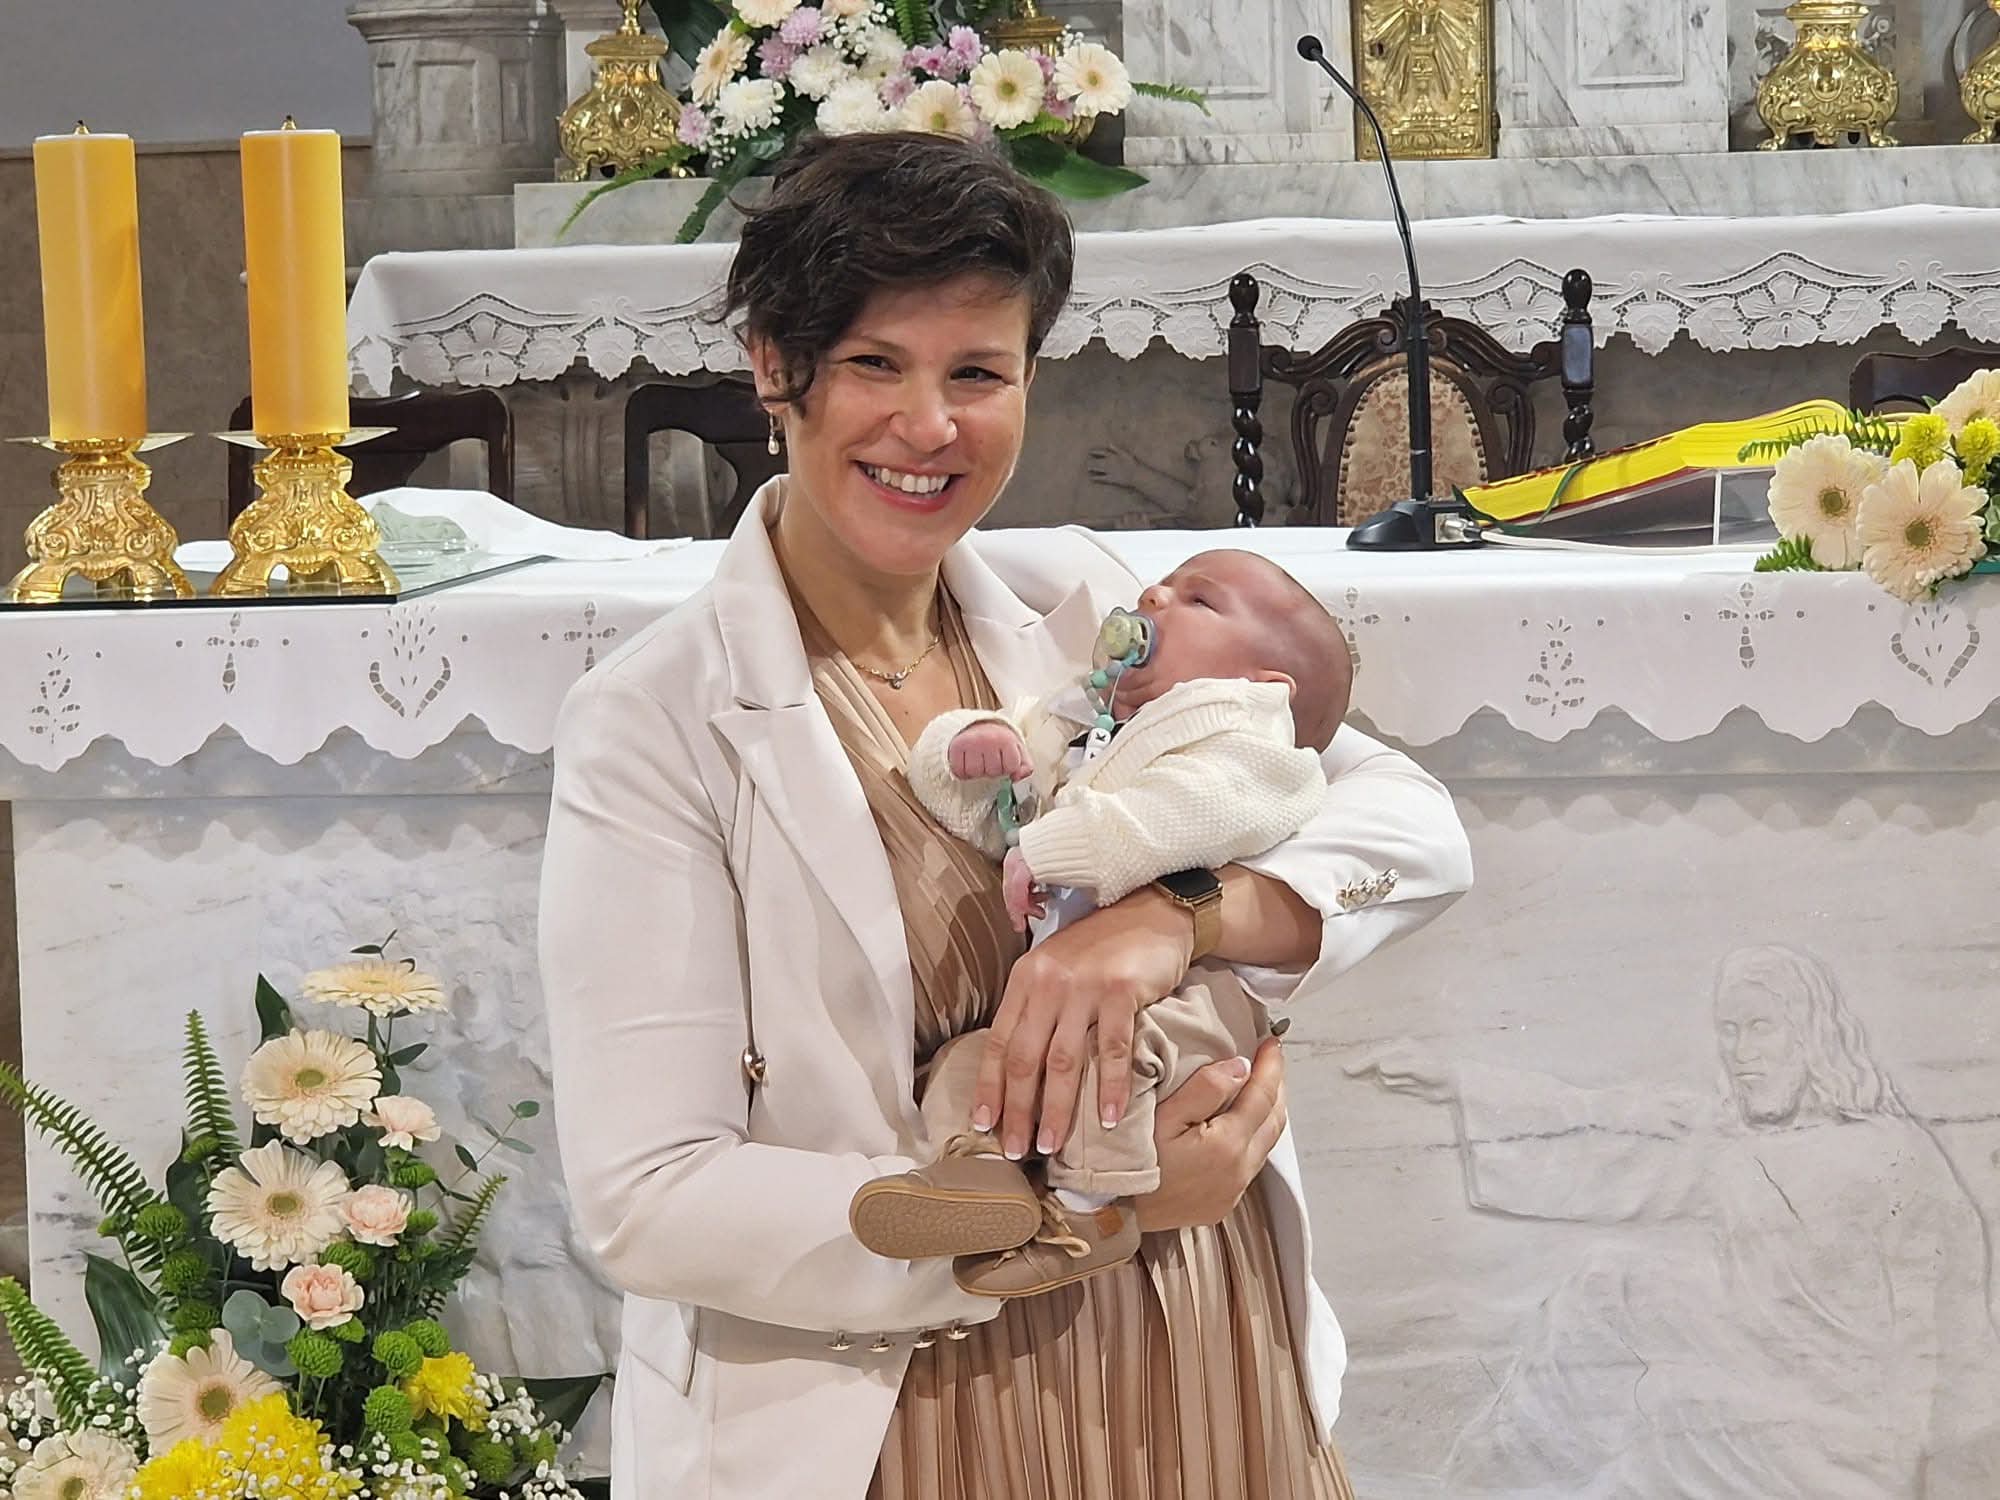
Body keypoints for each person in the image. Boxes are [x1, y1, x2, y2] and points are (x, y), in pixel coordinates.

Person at [538, 130, 1472, 1500]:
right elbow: (648, 1197)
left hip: (1205, 1365)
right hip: (902, 1402)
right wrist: (1088, 1209)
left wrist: (1174, 919)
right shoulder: (657, 720)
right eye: (876, 366)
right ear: (774, 369)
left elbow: (1409, 825)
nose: (930, 428)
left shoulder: (1086, 608)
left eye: (977, 374)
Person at [852, 552, 1352, 1297]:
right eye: (1164, 583)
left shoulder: (1249, 740)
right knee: (970, 1062)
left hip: (1181, 999)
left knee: (1114, 1059)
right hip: (1053, 1010)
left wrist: (1053, 847)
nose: (1153, 594)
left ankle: (1092, 1213)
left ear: (1264, 682)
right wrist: (975, 752)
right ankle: (980, 1173)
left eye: (1200, 601)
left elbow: (1181, 813)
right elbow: (1009, 812)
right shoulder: (1098, 721)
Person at [1346, 944, 2000, 1496]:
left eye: (1762, 1027)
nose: (1742, 1052)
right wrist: (1460, 1082)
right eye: (1729, 1030)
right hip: (1752, 1394)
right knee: (1609, 1284)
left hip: (1847, 1440)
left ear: (1811, 1033)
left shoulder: (1894, 1156)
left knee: (1646, 1413)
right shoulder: (1729, 1141)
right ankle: (1484, 1477)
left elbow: (1951, 1330)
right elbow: (1601, 1121)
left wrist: (1937, 1472)